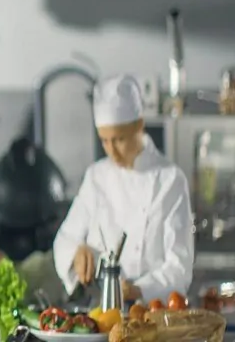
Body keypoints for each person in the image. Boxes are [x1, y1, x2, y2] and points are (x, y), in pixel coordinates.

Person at [52, 74, 193, 303]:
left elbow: (180, 268)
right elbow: (64, 239)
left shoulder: (170, 181)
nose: (111, 151)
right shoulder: (96, 176)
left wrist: (139, 290)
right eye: (104, 141)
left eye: (118, 139)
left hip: (149, 312)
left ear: (139, 125)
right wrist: (77, 253)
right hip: (99, 313)